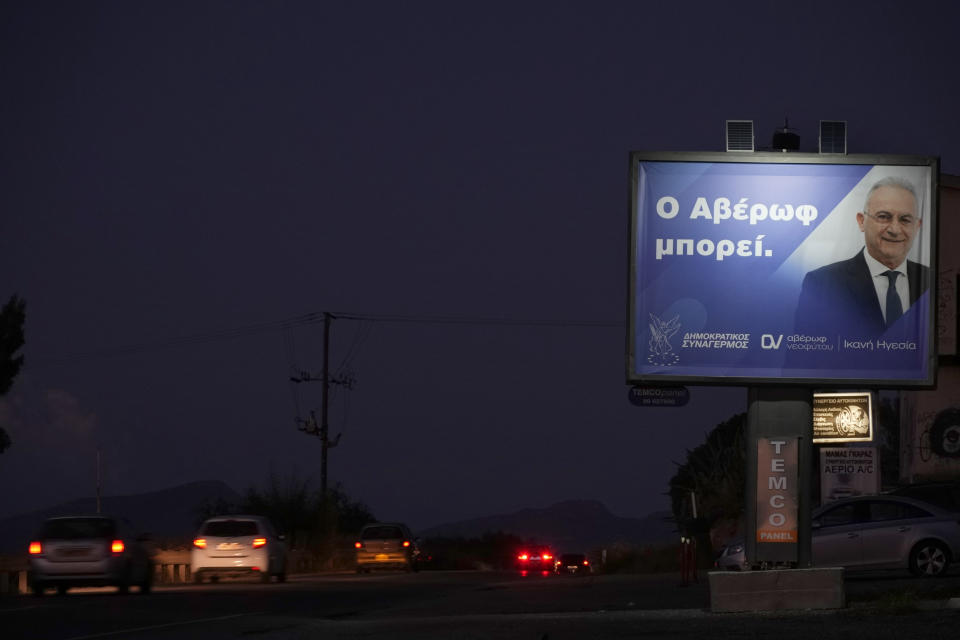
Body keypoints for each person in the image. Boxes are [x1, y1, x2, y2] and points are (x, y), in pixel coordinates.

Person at [793, 176, 929, 338]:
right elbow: (802, 358)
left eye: (905, 220)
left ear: (917, 226)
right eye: (884, 216)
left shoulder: (930, 281)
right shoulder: (822, 284)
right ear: (861, 221)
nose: (895, 229)